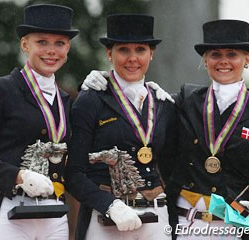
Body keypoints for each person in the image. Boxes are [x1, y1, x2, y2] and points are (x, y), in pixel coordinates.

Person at [82, 19, 249, 240]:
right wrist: (107, 81)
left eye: (232, 54)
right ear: (205, 60)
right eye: (215, 55)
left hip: (234, 228)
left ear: (247, 59)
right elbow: (138, 107)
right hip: (185, 224)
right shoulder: (186, 101)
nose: (223, 61)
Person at [65, 14, 177, 240]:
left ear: (151, 53)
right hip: (106, 218)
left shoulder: (164, 103)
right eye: (124, 50)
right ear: (109, 53)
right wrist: (109, 205)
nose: (132, 58)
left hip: (156, 217)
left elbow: (172, 168)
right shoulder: (91, 100)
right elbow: (73, 173)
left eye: (140, 50)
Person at [0, 4, 78, 239]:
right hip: (9, 210)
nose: (51, 51)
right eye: (42, 42)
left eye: (59, 43)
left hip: (55, 214)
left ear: (68, 48)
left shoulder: (66, 100)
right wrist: (18, 176)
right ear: (25, 44)